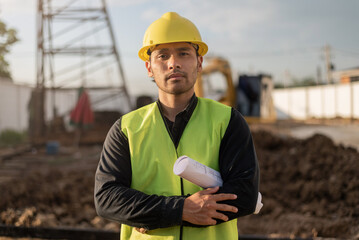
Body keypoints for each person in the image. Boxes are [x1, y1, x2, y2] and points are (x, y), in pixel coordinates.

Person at [94, 12, 259, 240]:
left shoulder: (228, 121)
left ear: (199, 62)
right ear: (149, 67)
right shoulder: (126, 129)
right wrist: (180, 210)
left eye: (184, 53)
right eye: (162, 56)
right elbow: (107, 198)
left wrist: (153, 216)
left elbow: (245, 196)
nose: (174, 63)